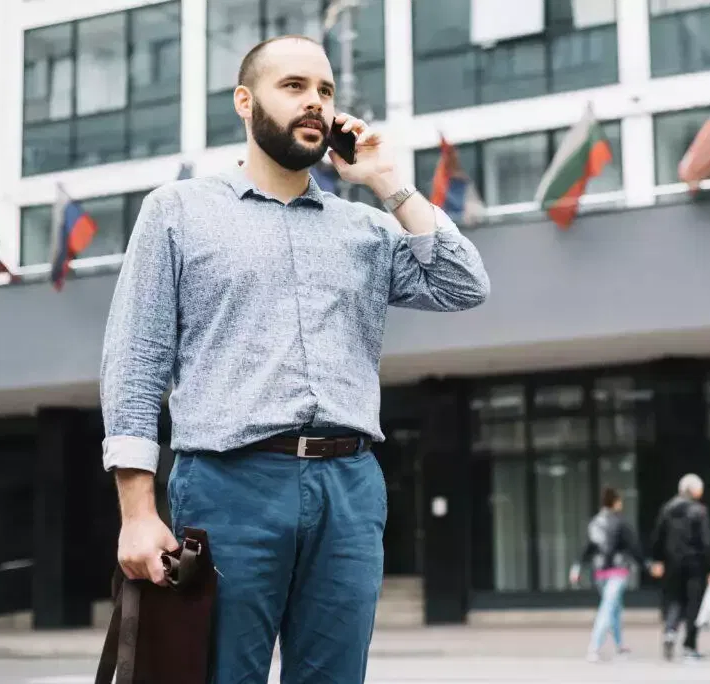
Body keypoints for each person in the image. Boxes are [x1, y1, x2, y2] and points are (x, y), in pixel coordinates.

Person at [100, 35, 490, 684]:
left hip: (349, 488)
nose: (315, 102)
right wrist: (138, 514)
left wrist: (388, 182)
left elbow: (462, 283)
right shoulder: (179, 212)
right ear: (245, 102)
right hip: (229, 486)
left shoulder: (363, 230)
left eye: (326, 91)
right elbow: (136, 363)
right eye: (294, 87)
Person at [570, 487, 654, 662]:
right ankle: (594, 647)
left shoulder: (594, 523)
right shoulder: (621, 522)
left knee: (614, 607)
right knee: (608, 607)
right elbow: (634, 547)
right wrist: (646, 564)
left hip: (600, 572)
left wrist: (577, 566)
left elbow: (589, 548)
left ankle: (619, 644)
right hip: (618, 570)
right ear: (615, 502)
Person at [650, 474, 710, 663]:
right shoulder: (699, 511)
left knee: (674, 601)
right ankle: (689, 646)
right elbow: (707, 542)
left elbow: (658, 537)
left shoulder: (667, 510)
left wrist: (657, 560)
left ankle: (670, 632)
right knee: (693, 605)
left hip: (672, 564)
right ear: (694, 490)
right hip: (696, 564)